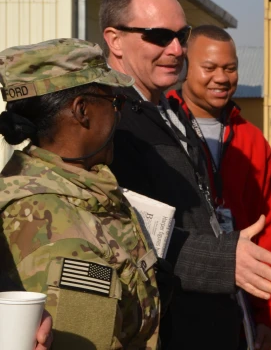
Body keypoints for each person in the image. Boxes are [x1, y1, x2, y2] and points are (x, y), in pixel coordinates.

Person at [100, 0, 271, 349]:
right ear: (115, 39)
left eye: (181, 36)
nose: (175, 50)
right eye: (157, 36)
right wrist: (220, 259)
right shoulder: (103, 121)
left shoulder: (168, 112)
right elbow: (121, 232)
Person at [0, 38, 160, 349]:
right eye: (115, 104)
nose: (119, 116)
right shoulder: (56, 227)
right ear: (82, 110)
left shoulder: (79, 187)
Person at [169, 24, 271, 349]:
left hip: (238, 309)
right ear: (185, 66)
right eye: (209, 68)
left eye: (230, 68)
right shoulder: (160, 126)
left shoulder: (252, 140)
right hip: (176, 302)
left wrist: (270, 317)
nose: (221, 77)